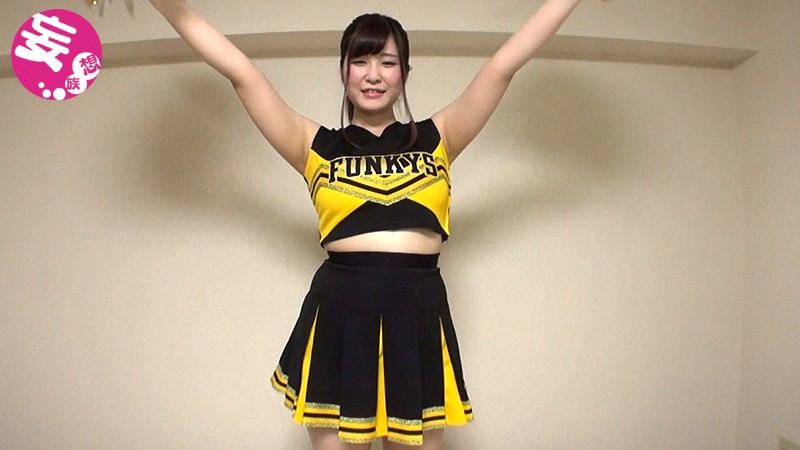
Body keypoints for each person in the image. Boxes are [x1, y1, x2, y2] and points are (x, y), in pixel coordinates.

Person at [147, 0, 591, 448]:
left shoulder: (440, 136)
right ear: (343, 71)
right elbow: (242, 73)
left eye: (388, 62)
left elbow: (503, 66)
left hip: (418, 315)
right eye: (360, 61)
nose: (373, 74)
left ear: (405, 74)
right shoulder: (312, 144)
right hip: (340, 316)